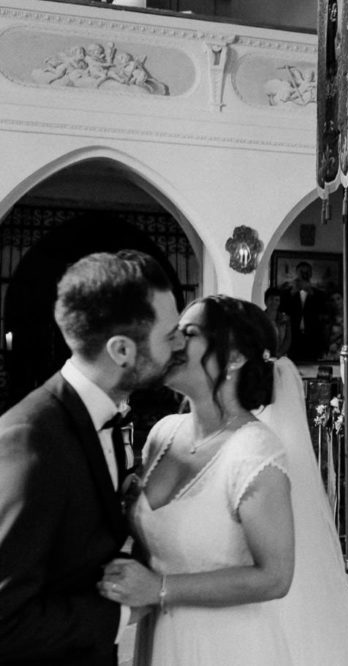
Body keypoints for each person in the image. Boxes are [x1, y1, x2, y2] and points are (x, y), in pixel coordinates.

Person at [98, 295, 348, 665]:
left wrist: (161, 589)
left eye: (188, 333)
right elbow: (151, 560)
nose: (172, 342)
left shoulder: (255, 451)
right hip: (161, 638)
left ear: (235, 357)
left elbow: (275, 576)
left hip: (226, 646)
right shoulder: (163, 435)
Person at [0, 251, 183, 665]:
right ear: (121, 350)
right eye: (169, 333)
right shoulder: (30, 441)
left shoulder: (106, 417)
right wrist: (120, 613)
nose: (179, 344)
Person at [283, 262, 328, 360]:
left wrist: (311, 293)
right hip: (292, 337)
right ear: (297, 273)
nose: (304, 274)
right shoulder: (287, 293)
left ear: (311, 274)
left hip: (313, 338)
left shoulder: (319, 294)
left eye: (307, 272)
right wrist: (292, 292)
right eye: (301, 272)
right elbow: (283, 309)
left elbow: (324, 313)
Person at [264, 287, 292, 357]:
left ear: (279, 302)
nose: (274, 302)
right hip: (265, 357)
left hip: (281, 357)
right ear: (266, 301)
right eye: (271, 299)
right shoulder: (260, 318)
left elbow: (287, 340)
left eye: (277, 300)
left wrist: (279, 354)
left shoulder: (285, 319)